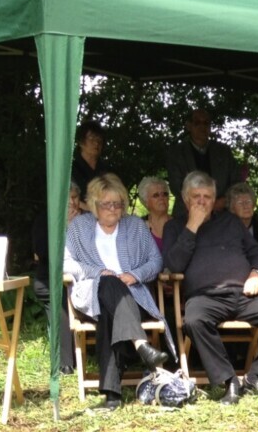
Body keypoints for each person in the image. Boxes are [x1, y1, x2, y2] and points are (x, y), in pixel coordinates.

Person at [162, 171, 258, 405]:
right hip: (205, 297)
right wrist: (192, 226)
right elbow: (173, 264)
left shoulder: (230, 222)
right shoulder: (175, 227)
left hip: (244, 293)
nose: (203, 202)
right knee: (194, 322)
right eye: (197, 197)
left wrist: (256, 274)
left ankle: (257, 376)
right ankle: (228, 380)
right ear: (186, 199)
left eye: (207, 196)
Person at [63, 174, 171, 410]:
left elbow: (156, 260)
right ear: (93, 205)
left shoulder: (135, 226)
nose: (113, 209)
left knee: (110, 313)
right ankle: (141, 345)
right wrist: (99, 272)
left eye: (118, 203)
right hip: (92, 292)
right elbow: (66, 263)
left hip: (133, 295)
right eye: (106, 204)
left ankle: (112, 396)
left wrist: (136, 275)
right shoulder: (79, 227)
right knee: (109, 283)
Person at [30, 183, 83, 374]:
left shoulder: (87, 220)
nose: (71, 203)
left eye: (75, 197)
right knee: (60, 298)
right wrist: (64, 228)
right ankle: (65, 362)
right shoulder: (45, 219)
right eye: (66, 199)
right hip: (50, 280)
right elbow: (43, 253)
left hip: (81, 279)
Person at [166, 109, 240, 218]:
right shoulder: (176, 152)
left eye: (206, 123)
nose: (202, 127)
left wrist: (223, 201)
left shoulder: (224, 152)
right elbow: (177, 187)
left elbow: (236, 183)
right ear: (189, 126)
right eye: (197, 123)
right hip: (187, 214)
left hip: (222, 214)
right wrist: (204, 203)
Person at [226, 182, 258, 281]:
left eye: (248, 201)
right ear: (232, 208)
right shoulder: (224, 232)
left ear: (254, 205)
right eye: (240, 203)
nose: (245, 206)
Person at [71, 121, 108, 195]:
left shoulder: (106, 170)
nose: (96, 143)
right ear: (81, 142)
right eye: (91, 138)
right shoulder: (71, 170)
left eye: (99, 139)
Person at [137, 176, 172, 251]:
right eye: (156, 195)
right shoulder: (140, 229)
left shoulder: (180, 224)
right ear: (146, 201)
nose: (161, 198)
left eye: (165, 194)